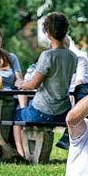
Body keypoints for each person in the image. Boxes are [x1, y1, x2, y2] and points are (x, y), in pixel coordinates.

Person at [12, 12, 77, 158]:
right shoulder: (72, 57)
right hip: (63, 111)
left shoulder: (47, 56)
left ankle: (20, 154)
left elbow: (34, 84)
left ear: (48, 32)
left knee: (15, 116)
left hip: (43, 111)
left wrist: (20, 83)